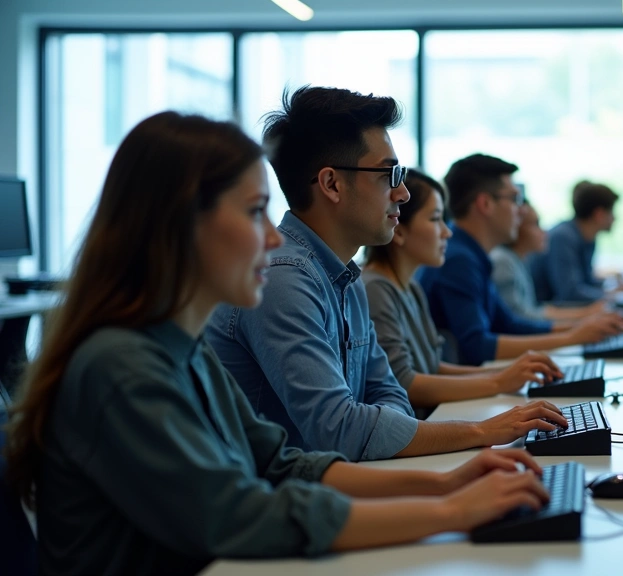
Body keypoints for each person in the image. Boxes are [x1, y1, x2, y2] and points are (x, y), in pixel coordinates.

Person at [2, 112, 550, 575]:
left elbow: (282, 463)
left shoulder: (182, 350)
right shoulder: (120, 365)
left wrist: (447, 485)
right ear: (178, 226)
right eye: (252, 212)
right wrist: (451, 512)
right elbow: (237, 515)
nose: (270, 236)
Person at [205, 87, 567, 462]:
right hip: (298, 505)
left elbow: (388, 391)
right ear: (331, 184)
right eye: (389, 173)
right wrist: (482, 431)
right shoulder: (283, 280)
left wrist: (382, 430)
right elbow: (340, 430)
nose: (403, 193)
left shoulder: (346, 277)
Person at [363, 169, 564, 416]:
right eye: (436, 219)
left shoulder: (409, 286)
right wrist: (498, 382)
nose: (447, 232)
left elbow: (432, 367)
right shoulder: (375, 288)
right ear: (399, 229)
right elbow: (405, 383)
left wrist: (505, 375)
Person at [418, 154, 623, 366]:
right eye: (514, 199)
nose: (520, 211)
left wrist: (580, 327)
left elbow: (510, 324)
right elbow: (476, 346)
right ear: (485, 204)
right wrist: (572, 337)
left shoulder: (473, 255)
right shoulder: (459, 260)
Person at [491, 200, 608, 322]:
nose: (544, 232)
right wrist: (584, 316)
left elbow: (536, 310)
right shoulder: (503, 262)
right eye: (535, 224)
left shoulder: (519, 261)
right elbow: (519, 320)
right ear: (516, 225)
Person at [530, 180, 623, 304]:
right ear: (599, 214)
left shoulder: (587, 238)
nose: (614, 218)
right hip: (549, 314)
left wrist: (617, 287)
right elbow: (570, 294)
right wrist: (613, 295)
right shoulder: (563, 238)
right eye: (611, 211)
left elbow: (586, 281)